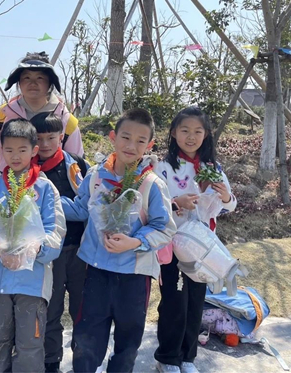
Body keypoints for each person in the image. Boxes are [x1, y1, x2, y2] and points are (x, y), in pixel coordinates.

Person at [63, 108, 177, 373]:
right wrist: (44, 201)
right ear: (113, 137)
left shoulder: (152, 184)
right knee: (86, 340)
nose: (131, 146)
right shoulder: (95, 176)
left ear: (149, 145)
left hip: (134, 277)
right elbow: (81, 208)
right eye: (125, 137)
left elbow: (164, 228)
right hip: (96, 272)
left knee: (128, 343)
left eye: (140, 141)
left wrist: (134, 242)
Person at [0, 118, 66, 373]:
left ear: (34, 151)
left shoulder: (45, 189)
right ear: (1, 150)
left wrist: (33, 250)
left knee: (30, 344)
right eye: (9, 149)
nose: (15, 156)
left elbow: (55, 233)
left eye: (22, 149)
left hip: (32, 283)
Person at [154, 106, 237, 373]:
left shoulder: (213, 168)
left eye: (198, 131)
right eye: (185, 130)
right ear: (173, 133)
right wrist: (176, 202)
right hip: (173, 246)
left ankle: (188, 357)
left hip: (202, 249)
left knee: (195, 303)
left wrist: (225, 196)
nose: (191, 137)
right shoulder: (164, 167)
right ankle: (167, 358)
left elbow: (230, 205)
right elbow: (152, 204)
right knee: (174, 303)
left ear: (206, 135)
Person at [29, 112, 90, 373]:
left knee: (82, 310)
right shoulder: (25, 170)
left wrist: (49, 203)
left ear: (61, 137)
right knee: (50, 311)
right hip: (46, 256)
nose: (44, 144)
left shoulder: (77, 165)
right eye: (39, 138)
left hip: (78, 251)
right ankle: (51, 361)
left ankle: (83, 361)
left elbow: (86, 208)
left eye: (51, 138)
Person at [0, 51, 83, 177]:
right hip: (7, 184)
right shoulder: (4, 114)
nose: (33, 83)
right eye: (27, 78)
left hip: (52, 187)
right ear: (18, 83)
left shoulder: (66, 120)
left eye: (40, 78)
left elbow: (76, 165)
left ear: (50, 83)